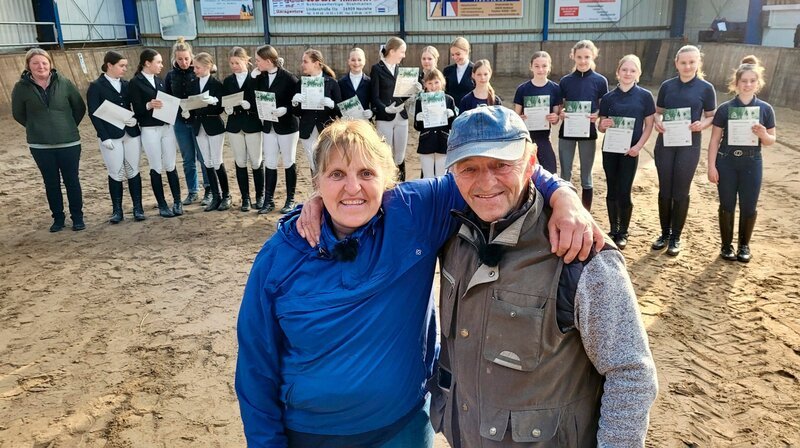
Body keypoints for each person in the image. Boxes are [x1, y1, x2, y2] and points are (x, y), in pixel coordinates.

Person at [236, 119, 605, 447]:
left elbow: (494, 171)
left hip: (403, 428)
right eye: (336, 175)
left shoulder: (413, 213)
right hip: (312, 434)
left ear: (388, 179)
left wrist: (563, 195)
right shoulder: (280, 256)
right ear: (316, 182)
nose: (353, 188)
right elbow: (255, 365)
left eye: (366, 174)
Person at [433, 106, 658, 447]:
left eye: (501, 164)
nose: (485, 182)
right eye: (469, 168)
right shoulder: (451, 234)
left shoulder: (581, 255)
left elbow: (630, 373)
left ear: (532, 160)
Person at [707, 56, 776, 263]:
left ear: (758, 83)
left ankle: (744, 245)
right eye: (743, 81)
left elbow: (771, 139)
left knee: (749, 205)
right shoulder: (725, 109)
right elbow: (714, 141)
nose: (747, 85)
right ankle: (726, 245)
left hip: (752, 162)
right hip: (727, 161)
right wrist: (711, 166)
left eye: (751, 81)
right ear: (736, 83)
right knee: (727, 204)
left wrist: (763, 134)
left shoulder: (765, 109)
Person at [651, 45, 716, 256]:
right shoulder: (667, 86)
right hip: (666, 144)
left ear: (698, 64)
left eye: (692, 62)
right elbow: (658, 113)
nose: (688, 66)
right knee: (665, 189)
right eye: (683, 62)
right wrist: (658, 122)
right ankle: (664, 233)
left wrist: (702, 125)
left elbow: (711, 115)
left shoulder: (706, 88)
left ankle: (676, 236)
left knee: (681, 190)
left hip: (689, 144)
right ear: (676, 63)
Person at [12, 48, 86, 232]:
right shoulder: (21, 88)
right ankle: (58, 219)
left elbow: (79, 108)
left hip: (69, 143)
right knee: (51, 182)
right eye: (35, 63)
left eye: (44, 62)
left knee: (72, 181)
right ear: (28, 66)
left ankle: (77, 217)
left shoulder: (65, 83)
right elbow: (18, 114)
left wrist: (67, 125)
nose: (40, 66)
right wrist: (37, 127)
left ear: (50, 64)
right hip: (40, 146)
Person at [597, 55, 656, 249]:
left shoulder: (645, 96)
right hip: (610, 150)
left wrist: (638, 146)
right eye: (624, 70)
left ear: (638, 74)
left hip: (630, 151)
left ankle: (623, 231)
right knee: (612, 189)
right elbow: (601, 126)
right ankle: (613, 229)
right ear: (618, 72)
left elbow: (649, 125)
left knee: (625, 190)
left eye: (632, 70)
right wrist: (602, 124)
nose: (628, 73)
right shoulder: (608, 97)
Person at [86, 50, 145, 223]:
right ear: (109, 65)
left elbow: (136, 105)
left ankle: (137, 207)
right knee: (116, 171)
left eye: (125, 66)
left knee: (133, 169)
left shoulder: (127, 85)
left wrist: (135, 119)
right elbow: (94, 113)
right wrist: (104, 136)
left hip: (131, 133)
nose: (124, 69)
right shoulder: (96, 86)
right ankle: (117, 209)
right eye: (121, 66)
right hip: (111, 135)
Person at [129, 48, 183, 218]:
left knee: (171, 164)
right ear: (147, 63)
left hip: (166, 127)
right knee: (156, 166)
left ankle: (177, 201)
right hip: (149, 128)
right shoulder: (135, 82)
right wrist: (148, 105)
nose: (161, 65)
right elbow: (136, 109)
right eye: (158, 62)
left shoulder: (159, 81)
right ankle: (162, 204)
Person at [558, 40, 608, 210]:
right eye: (579, 57)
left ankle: (586, 212)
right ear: (573, 56)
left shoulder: (600, 81)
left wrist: (598, 114)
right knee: (565, 174)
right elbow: (560, 106)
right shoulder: (565, 81)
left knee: (586, 176)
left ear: (593, 56)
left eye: (586, 57)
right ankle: (567, 209)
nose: (583, 61)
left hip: (588, 132)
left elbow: (604, 106)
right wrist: (562, 113)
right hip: (568, 131)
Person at [251, 45, 299, 215]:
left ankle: (290, 199)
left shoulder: (289, 78)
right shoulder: (260, 77)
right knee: (270, 162)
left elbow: (296, 102)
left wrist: (286, 109)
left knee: (288, 161)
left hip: (287, 126)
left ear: (268, 60)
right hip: (268, 125)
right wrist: (253, 78)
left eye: (258, 60)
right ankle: (268, 199)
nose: (255, 63)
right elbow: (253, 97)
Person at [164, 37, 210, 206]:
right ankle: (192, 191)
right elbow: (168, 97)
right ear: (174, 59)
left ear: (191, 56)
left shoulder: (197, 73)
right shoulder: (170, 76)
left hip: (197, 120)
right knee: (188, 157)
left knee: (203, 156)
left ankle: (209, 189)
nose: (183, 62)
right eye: (180, 59)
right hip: (180, 121)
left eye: (186, 58)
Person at [184, 52, 230, 212]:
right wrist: (187, 111)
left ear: (207, 67)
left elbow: (222, 106)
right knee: (207, 162)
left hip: (213, 124)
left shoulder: (216, 84)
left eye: (197, 67)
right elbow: (190, 103)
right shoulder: (192, 83)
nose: (195, 70)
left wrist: (214, 103)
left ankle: (226, 195)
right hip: (199, 125)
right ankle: (215, 196)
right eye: (194, 67)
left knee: (217, 161)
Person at [370, 36, 418, 181]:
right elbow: (375, 97)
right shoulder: (377, 69)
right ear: (392, 51)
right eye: (402, 52)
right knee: (385, 154)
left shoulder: (400, 70)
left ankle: (401, 184)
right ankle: (386, 184)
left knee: (400, 156)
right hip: (385, 117)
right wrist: (385, 109)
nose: (404, 55)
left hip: (401, 117)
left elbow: (401, 96)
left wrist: (412, 91)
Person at [223, 46, 264, 212]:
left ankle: (260, 196)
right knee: (240, 162)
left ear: (246, 61)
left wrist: (251, 106)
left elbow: (262, 100)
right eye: (232, 63)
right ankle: (245, 197)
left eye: (237, 63)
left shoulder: (256, 79)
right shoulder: (227, 81)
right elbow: (224, 100)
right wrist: (227, 108)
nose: (234, 66)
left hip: (252, 123)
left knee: (256, 161)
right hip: (234, 125)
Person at [292, 48, 342, 178]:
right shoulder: (301, 83)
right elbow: (296, 112)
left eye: (305, 61)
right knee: (313, 163)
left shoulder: (331, 83)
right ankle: (317, 192)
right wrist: (295, 103)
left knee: (327, 163)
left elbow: (340, 110)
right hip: (307, 129)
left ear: (316, 63)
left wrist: (332, 104)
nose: (302, 64)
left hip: (326, 129)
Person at [513, 50, 562, 174]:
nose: (540, 69)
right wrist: (520, 119)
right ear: (531, 67)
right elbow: (515, 117)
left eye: (544, 66)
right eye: (537, 66)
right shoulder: (522, 89)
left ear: (549, 67)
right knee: (523, 173)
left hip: (544, 137)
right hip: (526, 139)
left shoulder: (555, 89)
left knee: (551, 171)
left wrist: (554, 117)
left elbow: (556, 118)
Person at [413, 69, 456, 178]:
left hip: (443, 142)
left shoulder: (449, 100)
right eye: (430, 83)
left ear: (442, 82)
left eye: (436, 82)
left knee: (441, 176)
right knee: (428, 177)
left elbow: (453, 126)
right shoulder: (420, 101)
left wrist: (452, 116)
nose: (433, 86)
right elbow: (417, 127)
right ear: (425, 84)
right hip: (426, 142)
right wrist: (418, 119)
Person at [338, 47, 373, 121]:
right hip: (347, 124)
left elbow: (375, 102)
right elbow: (338, 103)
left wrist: (372, 112)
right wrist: (340, 115)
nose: (356, 63)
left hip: (364, 124)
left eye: (359, 60)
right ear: (348, 61)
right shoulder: (341, 83)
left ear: (364, 61)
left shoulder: (370, 82)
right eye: (353, 60)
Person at [443, 37, 474, 109]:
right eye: (453, 55)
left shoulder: (475, 70)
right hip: (451, 112)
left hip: (469, 111)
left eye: (458, 54)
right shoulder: (447, 70)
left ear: (466, 51)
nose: (455, 57)